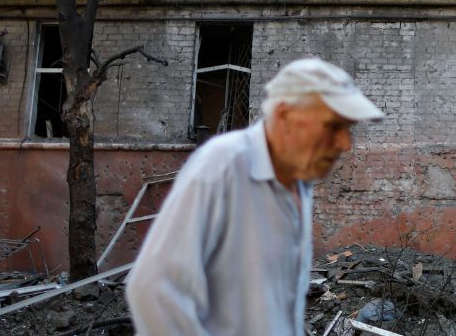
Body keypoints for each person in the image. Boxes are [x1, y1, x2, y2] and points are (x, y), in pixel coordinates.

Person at [127, 58, 385, 335]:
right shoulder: (225, 164)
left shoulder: (298, 184)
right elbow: (152, 288)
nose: (345, 143)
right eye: (334, 126)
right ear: (285, 116)